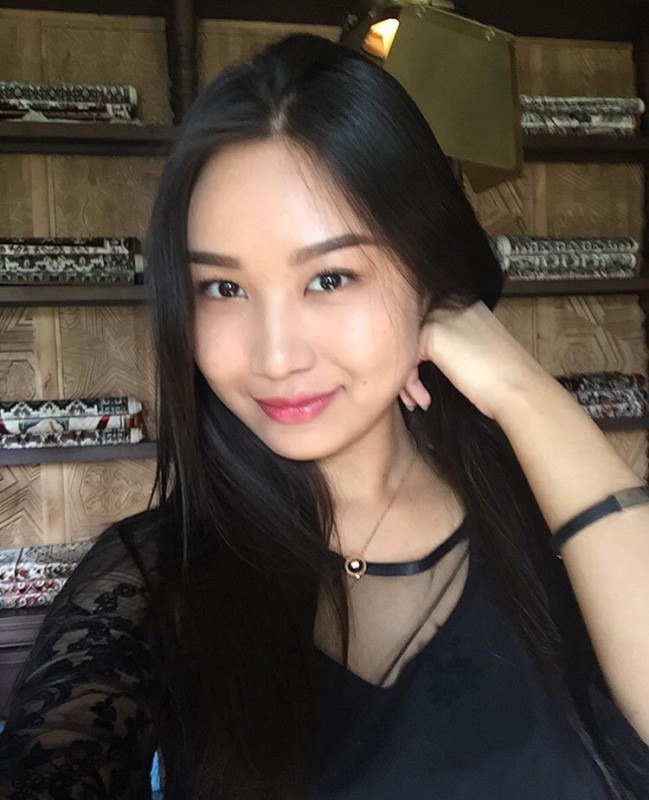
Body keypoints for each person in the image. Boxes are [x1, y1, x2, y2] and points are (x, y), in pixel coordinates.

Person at [0, 32, 648, 800]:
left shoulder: (559, 525)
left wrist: (521, 389)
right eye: (223, 289)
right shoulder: (153, 580)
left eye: (330, 278)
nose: (275, 357)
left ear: (430, 277)